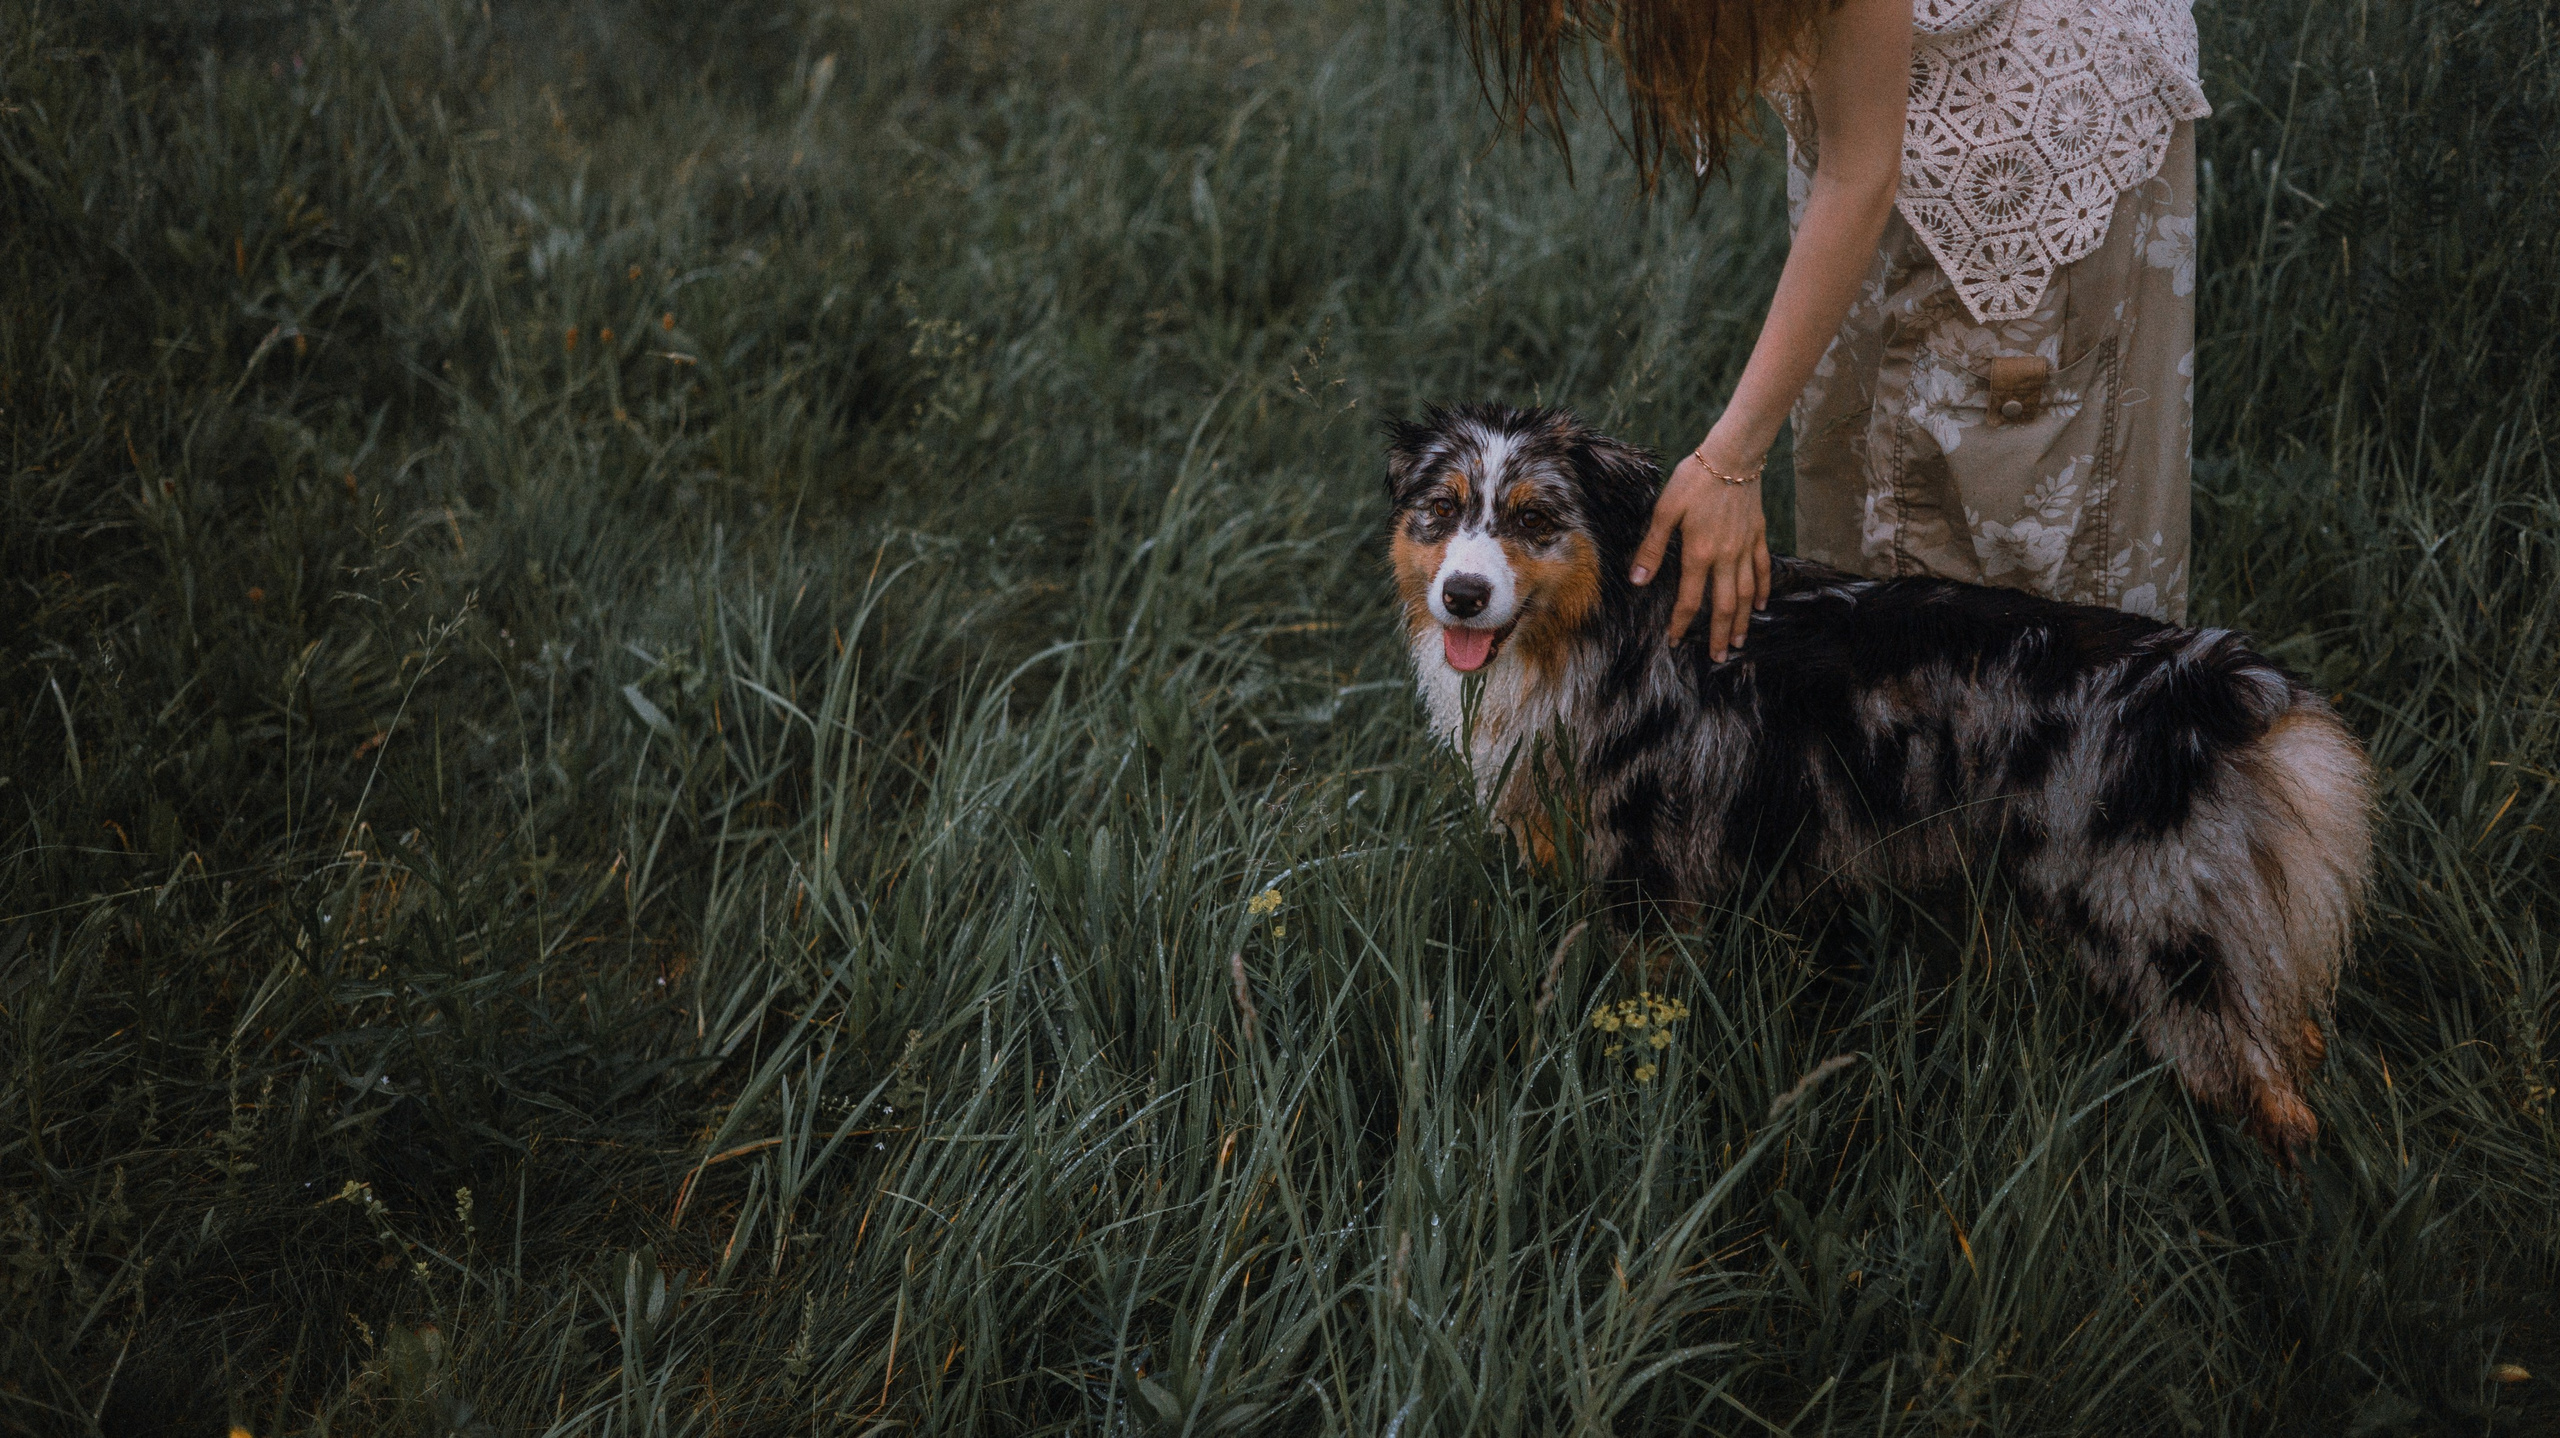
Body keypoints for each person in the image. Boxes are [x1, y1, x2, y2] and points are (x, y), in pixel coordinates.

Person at [1462, 0, 2209, 660]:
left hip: (2027, 158)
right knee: (1869, 507)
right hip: (1884, 115)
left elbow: (1860, 170)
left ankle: (2054, 801)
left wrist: (1731, 458)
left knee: (2019, 572)